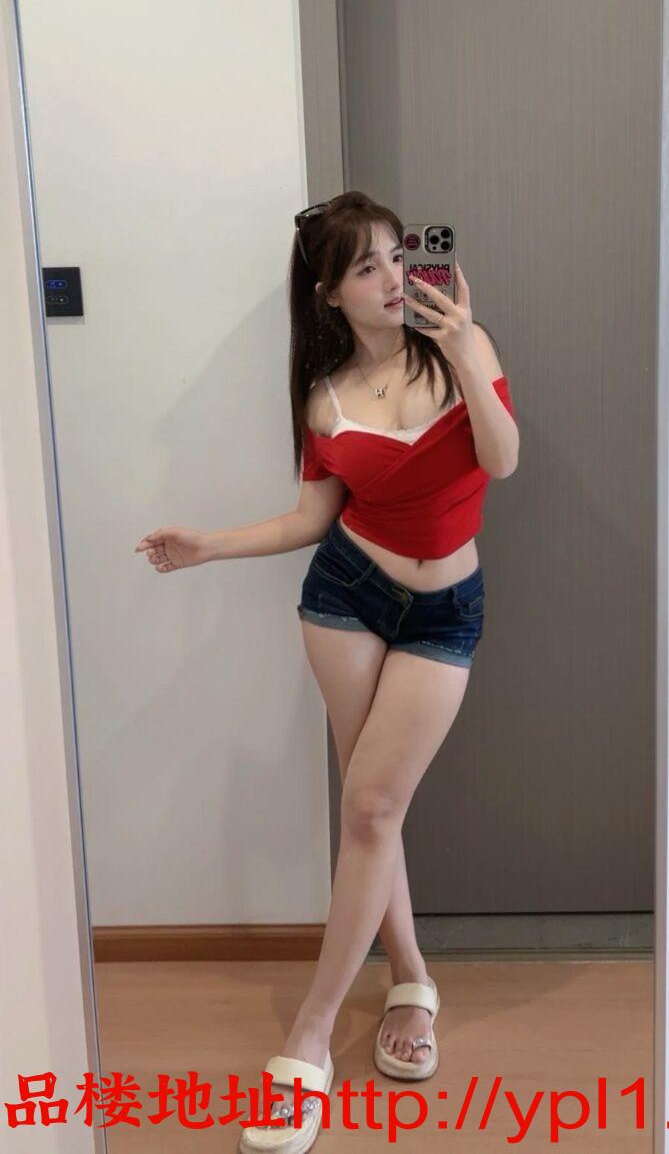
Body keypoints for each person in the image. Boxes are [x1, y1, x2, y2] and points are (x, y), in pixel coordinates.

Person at [135, 190, 519, 1152]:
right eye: (364, 266)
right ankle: (407, 985)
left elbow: (504, 461)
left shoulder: (460, 346)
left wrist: (463, 348)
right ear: (328, 293)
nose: (390, 278)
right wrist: (208, 546)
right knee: (369, 810)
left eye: (396, 256)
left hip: (444, 610)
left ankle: (312, 1030)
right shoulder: (324, 397)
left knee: (372, 807)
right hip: (345, 598)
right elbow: (311, 519)